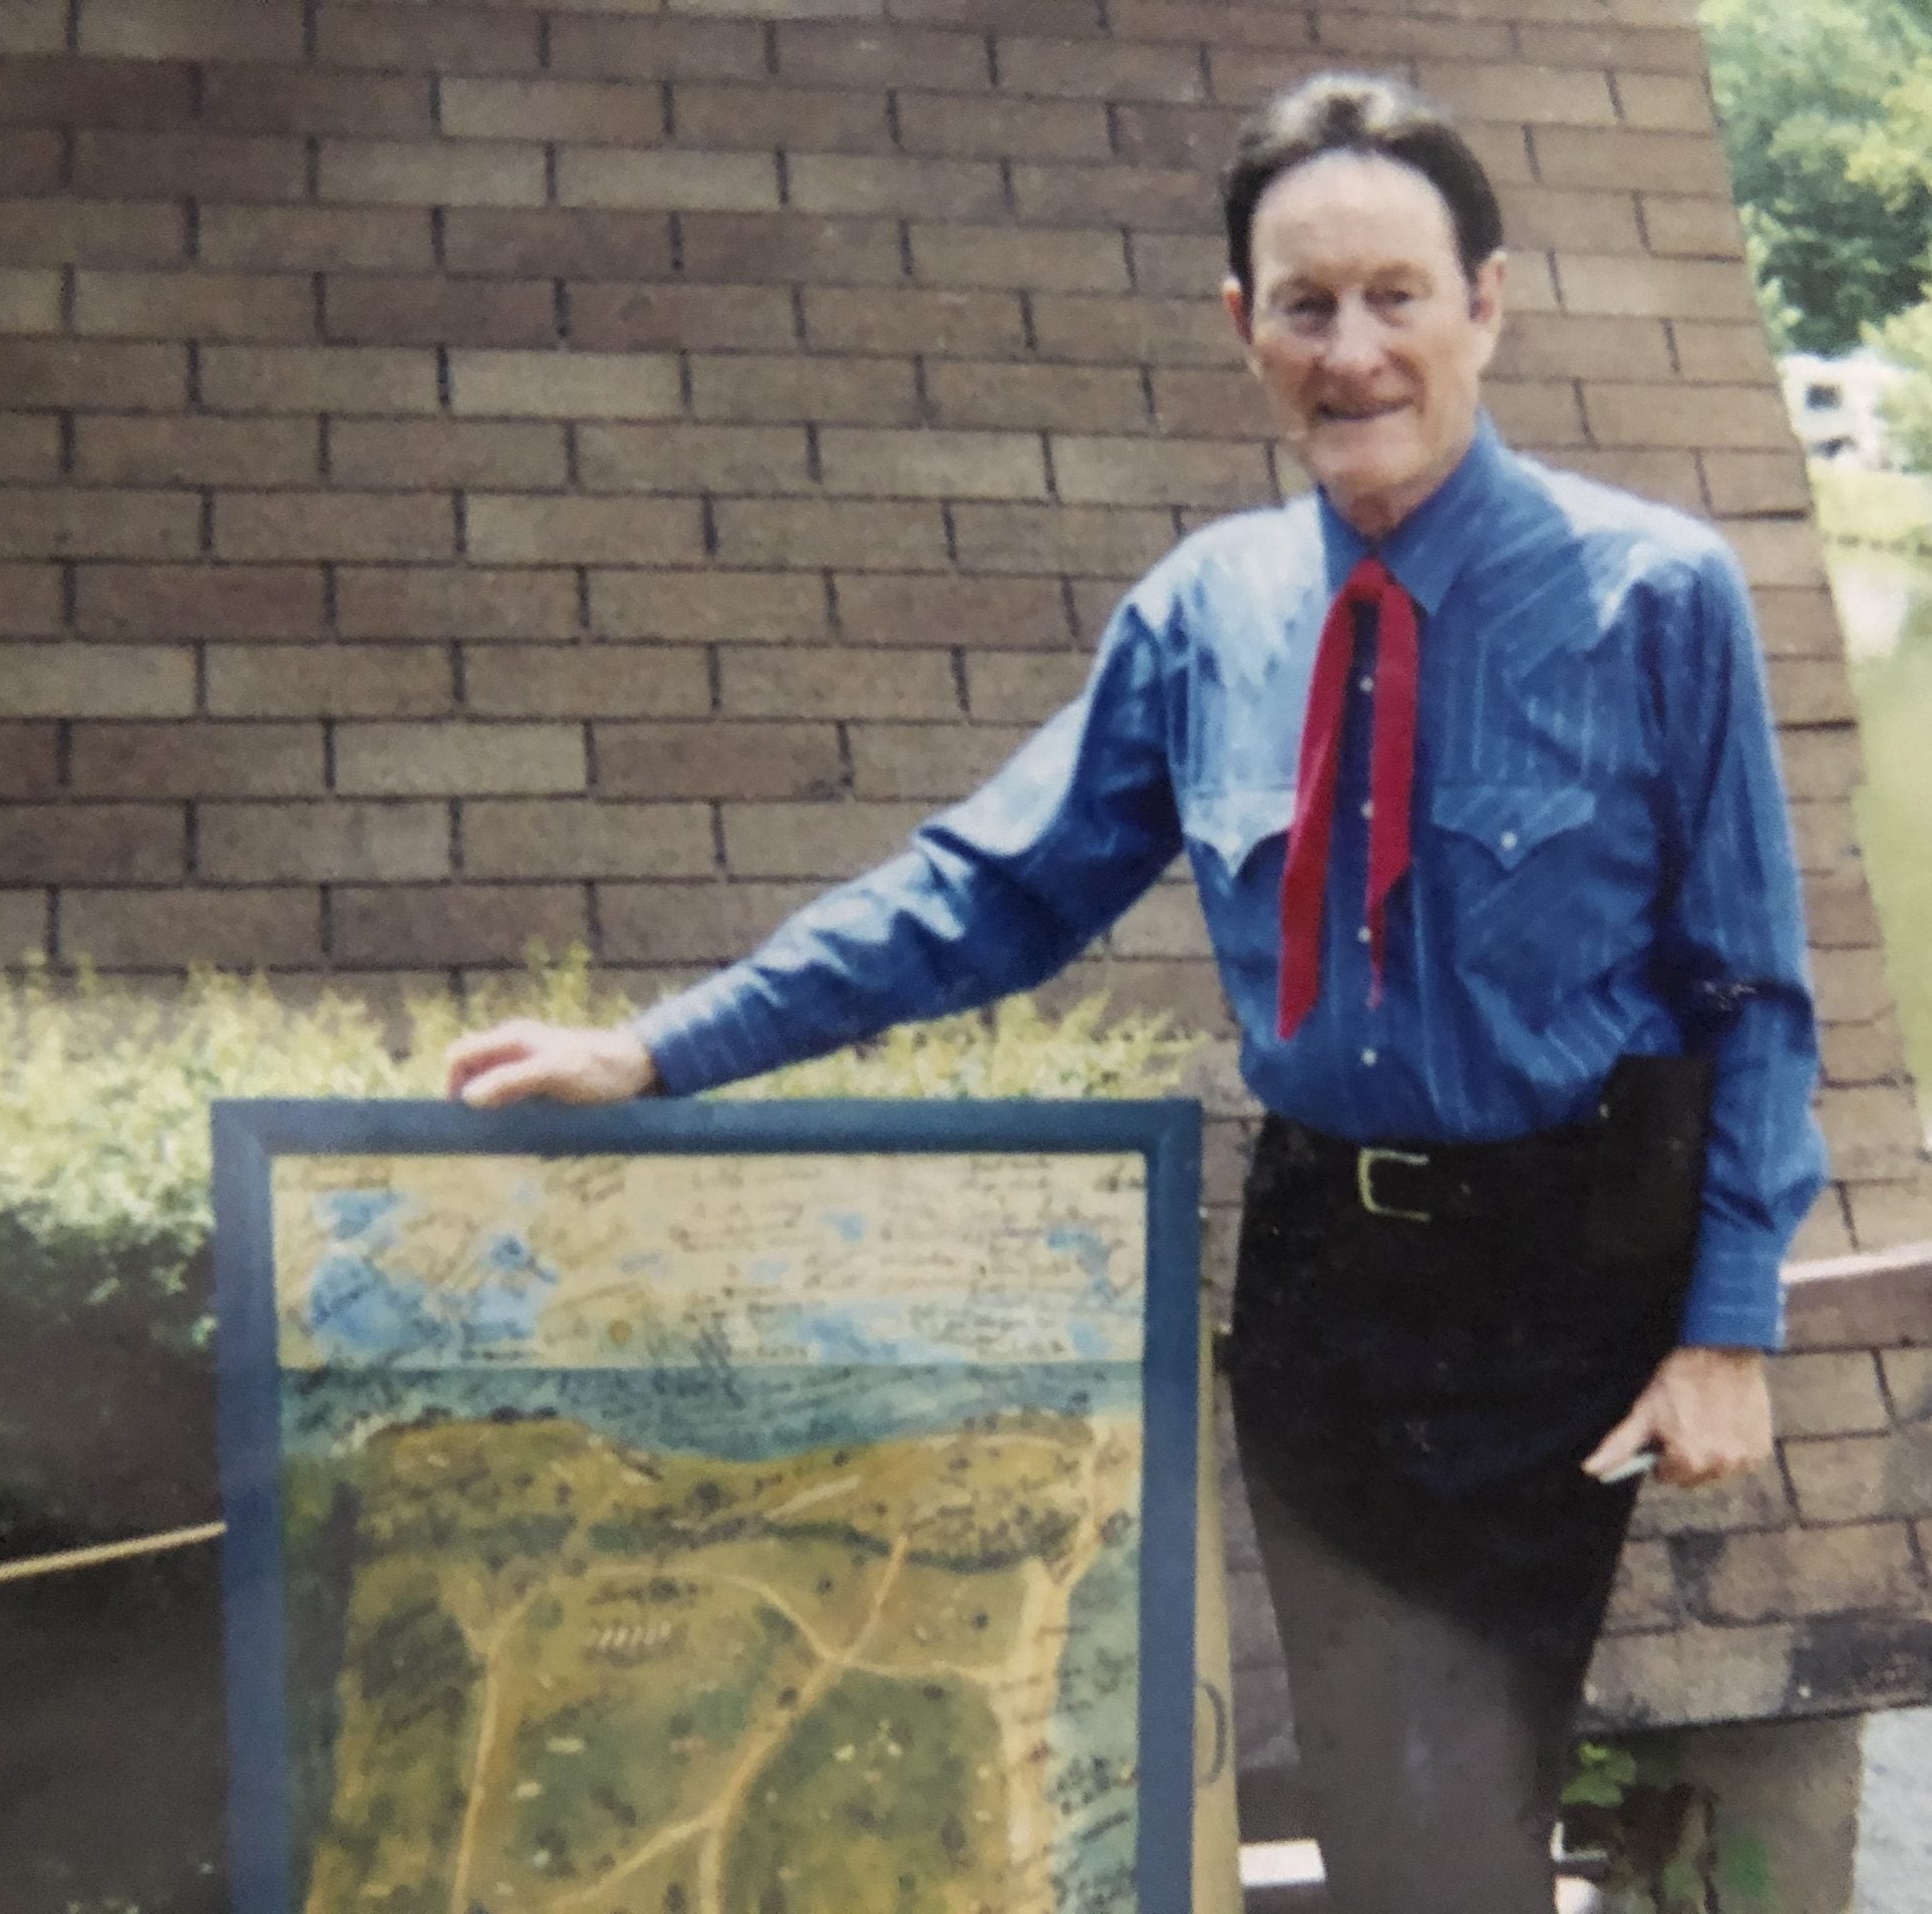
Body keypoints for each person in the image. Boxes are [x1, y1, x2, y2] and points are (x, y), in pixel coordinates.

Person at [446, 73, 1825, 1914]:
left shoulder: (1658, 596)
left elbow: (1755, 991)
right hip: (1320, 1273)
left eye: (1398, 296)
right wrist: (657, 1049)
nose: (1354, 351)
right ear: (1241, 323)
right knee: (1366, 1774)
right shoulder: (1204, 615)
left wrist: (1728, 1327)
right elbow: (987, 891)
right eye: (1306, 305)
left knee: (1464, 1800)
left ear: (1485, 302)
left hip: (1555, 1278)